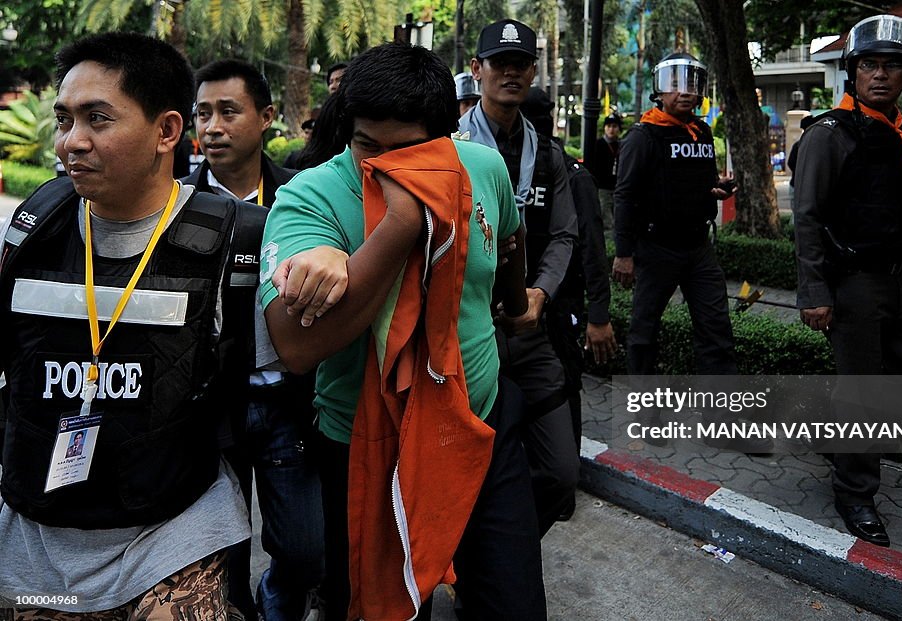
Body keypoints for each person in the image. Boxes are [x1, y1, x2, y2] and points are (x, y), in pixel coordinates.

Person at [260, 42, 545, 620]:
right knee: (380, 608)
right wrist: (402, 221)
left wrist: (517, 303)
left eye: (407, 151)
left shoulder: (482, 168)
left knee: (512, 604)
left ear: (445, 138)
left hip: (476, 422)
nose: (384, 164)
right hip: (365, 446)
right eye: (369, 146)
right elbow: (296, 347)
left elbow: (511, 238)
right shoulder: (310, 196)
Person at [0, 32, 263, 618]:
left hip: (172, 542)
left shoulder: (236, 242)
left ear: (167, 132)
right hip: (34, 551)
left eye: (98, 119)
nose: (73, 142)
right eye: (64, 120)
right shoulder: (28, 230)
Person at [183, 59, 323, 621]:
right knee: (221, 556)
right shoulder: (175, 205)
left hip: (288, 402)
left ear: (266, 117)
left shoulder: (301, 199)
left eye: (227, 112)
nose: (212, 127)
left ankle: (279, 604)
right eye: (203, 113)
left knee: (305, 550)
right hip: (210, 409)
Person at [792, 14, 902, 548]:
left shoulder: (900, 131)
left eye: (892, 65)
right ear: (852, 72)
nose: (881, 75)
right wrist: (813, 293)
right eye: (870, 64)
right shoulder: (830, 134)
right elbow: (805, 217)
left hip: (900, 278)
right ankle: (855, 492)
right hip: (852, 283)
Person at [460, 18, 581, 536]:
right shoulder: (450, 152)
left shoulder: (548, 155)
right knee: (469, 468)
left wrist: (539, 292)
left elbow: (564, 235)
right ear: (477, 70)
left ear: (533, 71)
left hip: (529, 332)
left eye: (520, 64)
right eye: (498, 63)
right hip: (468, 336)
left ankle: (506, 556)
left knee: (559, 474)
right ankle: (480, 570)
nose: (509, 72)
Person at [612, 52, 737, 377]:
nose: (685, 91)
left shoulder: (702, 132)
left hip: (698, 248)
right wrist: (623, 253)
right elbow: (624, 195)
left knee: (717, 331)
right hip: (656, 249)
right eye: (675, 83)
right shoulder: (643, 135)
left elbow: (700, 179)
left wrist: (716, 188)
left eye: (692, 84)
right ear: (660, 89)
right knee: (644, 333)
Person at [521, 86, 616, 460]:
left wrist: (599, 315)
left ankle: (567, 466)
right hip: (519, 306)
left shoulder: (569, 172)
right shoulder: (505, 166)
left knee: (565, 385)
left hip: (561, 306)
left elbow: (592, 248)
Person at [589, 113, 622, 231]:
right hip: (602, 187)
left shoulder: (621, 145)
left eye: (614, 126)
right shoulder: (598, 145)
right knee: (606, 218)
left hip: (618, 187)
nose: (611, 129)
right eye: (608, 126)